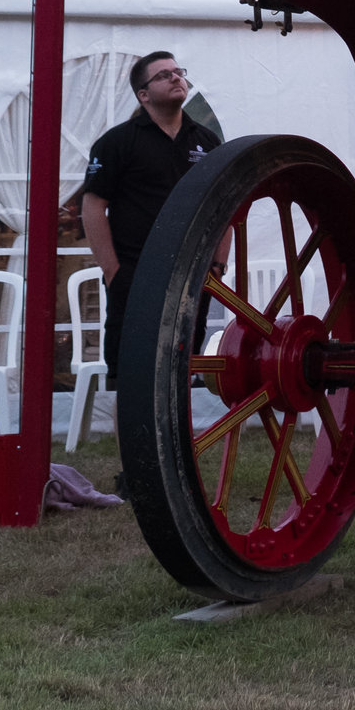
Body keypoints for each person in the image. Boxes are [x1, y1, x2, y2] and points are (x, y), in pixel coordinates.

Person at [80, 52, 223, 486]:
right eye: (165, 76)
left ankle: (178, 470)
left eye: (180, 72)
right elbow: (92, 207)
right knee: (134, 377)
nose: (177, 79)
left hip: (191, 275)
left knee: (179, 373)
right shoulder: (117, 143)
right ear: (144, 94)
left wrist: (217, 264)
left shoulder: (207, 141)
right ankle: (137, 474)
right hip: (136, 276)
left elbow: (223, 205)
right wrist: (113, 274)